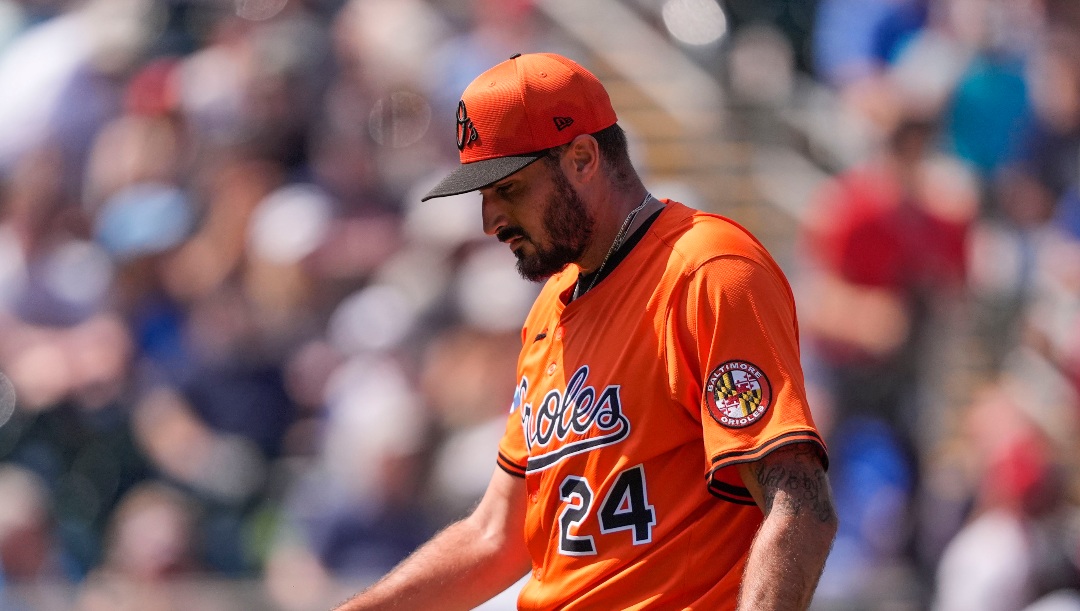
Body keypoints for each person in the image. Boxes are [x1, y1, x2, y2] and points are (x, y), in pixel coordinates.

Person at [334, 52, 837, 611]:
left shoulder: (707, 272)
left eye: (510, 190)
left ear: (581, 158)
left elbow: (801, 509)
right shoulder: (551, 305)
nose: (490, 221)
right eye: (484, 196)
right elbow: (495, 537)